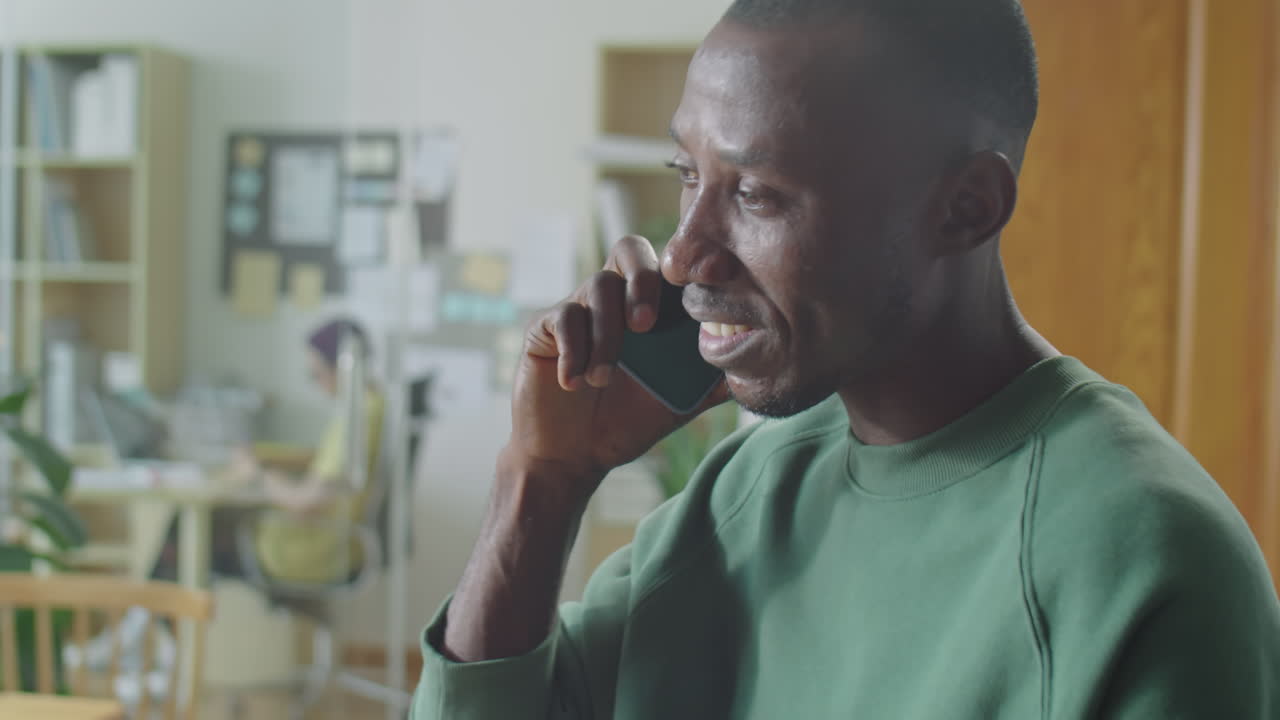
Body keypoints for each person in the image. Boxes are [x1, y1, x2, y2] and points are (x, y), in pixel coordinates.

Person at [412, 1, 1280, 718]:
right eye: (689, 174)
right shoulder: (744, 494)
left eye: (756, 194)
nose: (682, 255)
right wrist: (543, 479)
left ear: (967, 208)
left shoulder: (1144, 562)